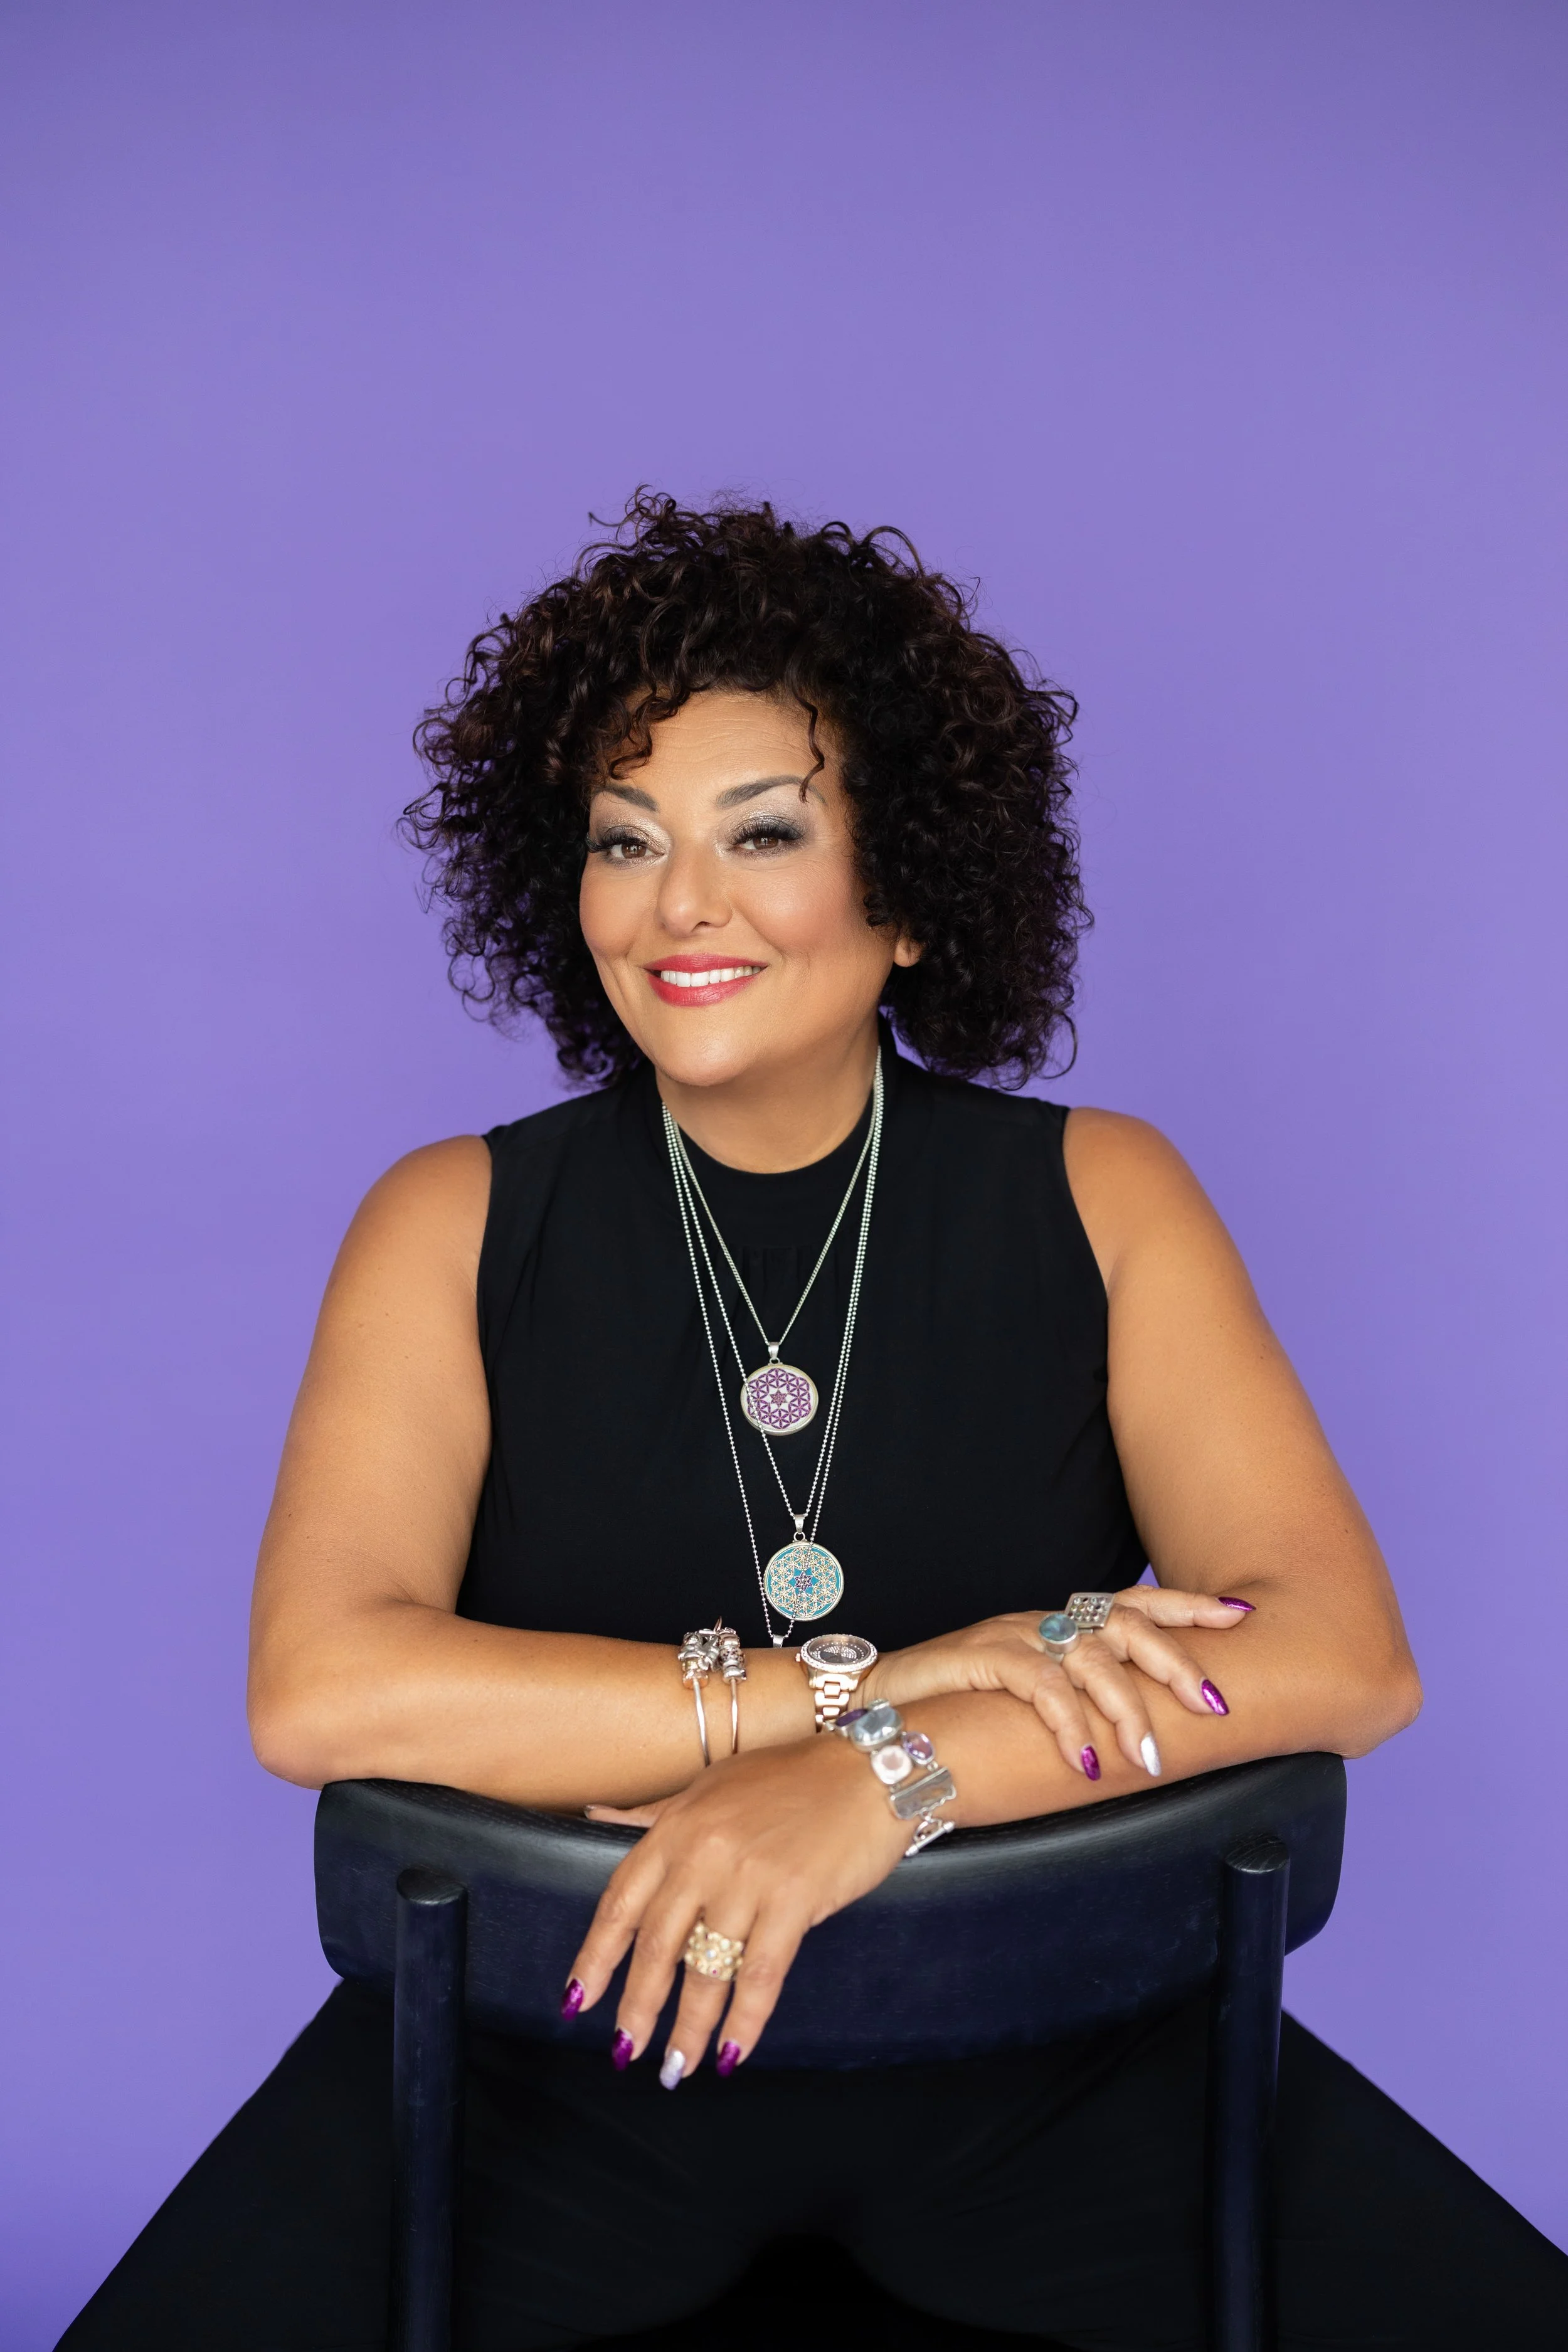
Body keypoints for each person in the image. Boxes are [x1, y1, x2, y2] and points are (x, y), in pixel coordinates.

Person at [61, 494, 1567, 2349]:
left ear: (913, 889)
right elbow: (321, 1685)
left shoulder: (1104, 1193)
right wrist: (868, 1690)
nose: (678, 902)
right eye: (625, 841)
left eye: (760, 831)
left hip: (1066, 2066)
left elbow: (1340, 1654)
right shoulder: (445, 1220)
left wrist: (877, 1789)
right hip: (555, 2066)